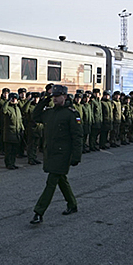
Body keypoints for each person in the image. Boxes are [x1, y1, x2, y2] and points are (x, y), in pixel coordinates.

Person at [29, 85, 83, 224]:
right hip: (50, 152)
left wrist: (76, 156)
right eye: (53, 96)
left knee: (51, 181)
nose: (54, 99)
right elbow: (35, 116)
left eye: (56, 96)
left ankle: (39, 212)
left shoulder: (72, 114)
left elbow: (77, 136)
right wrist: (44, 100)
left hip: (63, 154)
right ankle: (72, 204)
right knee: (61, 179)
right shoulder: (50, 112)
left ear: (64, 96)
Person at [2, 92, 24, 169]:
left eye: (15, 99)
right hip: (9, 133)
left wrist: (22, 129)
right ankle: (8, 164)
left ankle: (13, 163)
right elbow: (3, 111)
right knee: (9, 151)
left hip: (17, 133)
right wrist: (7, 102)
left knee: (14, 150)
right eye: (13, 99)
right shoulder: (8, 108)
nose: (14, 100)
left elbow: (20, 120)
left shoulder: (18, 109)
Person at [22, 92, 43, 165]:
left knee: (36, 144)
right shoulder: (30, 106)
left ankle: (34, 157)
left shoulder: (40, 106)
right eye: (35, 98)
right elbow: (24, 110)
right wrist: (29, 101)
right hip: (31, 126)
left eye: (37, 98)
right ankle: (30, 158)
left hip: (39, 127)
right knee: (31, 144)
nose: (36, 99)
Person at [0, 88, 10, 155]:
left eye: (7, 93)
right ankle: (1, 149)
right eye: (5, 93)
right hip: (2, 121)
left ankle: (6, 149)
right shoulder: (0, 102)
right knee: (1, 137)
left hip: (8, 122)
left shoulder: (10, 101)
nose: (6, 95)